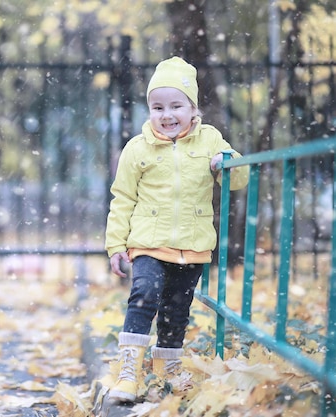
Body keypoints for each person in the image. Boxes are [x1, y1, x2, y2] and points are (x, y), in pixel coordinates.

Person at [104, 56, 249, 402]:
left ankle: (167, 371)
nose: (166, 115)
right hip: (148, 244)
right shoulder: (137, 148)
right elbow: (122, 198)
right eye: (157, 107)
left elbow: (240, 179)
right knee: (144, 296)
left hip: (192, 244)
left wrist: (225, 163)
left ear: (193, 108)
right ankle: (128, 372)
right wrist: (115, 246)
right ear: (149, 110)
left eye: (175, 106)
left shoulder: (210, 139)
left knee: (176, 311)